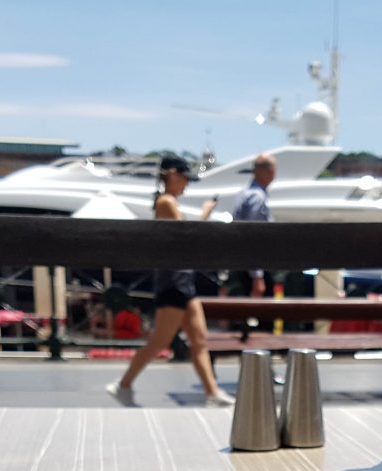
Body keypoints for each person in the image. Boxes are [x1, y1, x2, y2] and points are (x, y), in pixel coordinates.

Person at [106, 156, 234, 407]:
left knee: (199, 340)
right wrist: (206, 214)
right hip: (173, 282)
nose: (187, 184)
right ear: (173, 175)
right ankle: (122, 384)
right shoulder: (166, 202)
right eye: (185, 178)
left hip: (183, 283)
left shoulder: (168, 202)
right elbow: (187, 239)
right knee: (160, 341)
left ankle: (213, 393)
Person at [230, 153, 276, 298]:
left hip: (241, 265)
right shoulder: (258, 197)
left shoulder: (243, 194)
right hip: (254, 268)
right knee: (265, 316)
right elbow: (253, 235)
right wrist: (257, 275)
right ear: (269, 172)